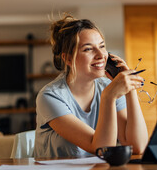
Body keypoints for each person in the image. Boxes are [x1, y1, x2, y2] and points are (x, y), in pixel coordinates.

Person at [33, 14, 148, 158]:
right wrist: (108, 97)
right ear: (68, 58)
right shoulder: (50, 96)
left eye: (102, 46)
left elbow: (138, 147)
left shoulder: (108, 87)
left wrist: (130, 88)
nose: (101, 55)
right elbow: (101, 149)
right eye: (88, 49)